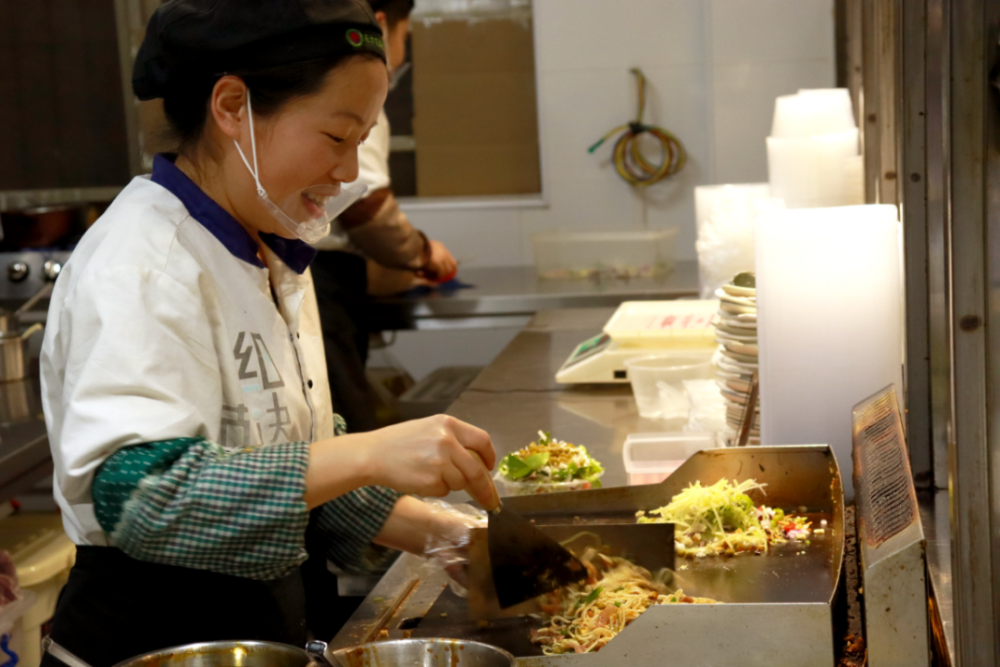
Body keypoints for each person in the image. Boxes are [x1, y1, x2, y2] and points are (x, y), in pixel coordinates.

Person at [39, 2, 497, 665]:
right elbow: (144, 497)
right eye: (338, 137)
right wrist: (368, 453)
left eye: (362, 140)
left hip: (255, 634)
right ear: (231, 106)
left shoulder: (271, 252)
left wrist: (445, 534)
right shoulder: (142, 261)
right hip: (152, 642)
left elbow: (286, 459)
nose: (347, 173)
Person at [312, 0, 457, 434]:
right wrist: (422, 254)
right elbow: (364, 203)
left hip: (325, 285)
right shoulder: (354, 91)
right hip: (324, 291)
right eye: (403, 38)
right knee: (344, 432)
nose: (344, 172)